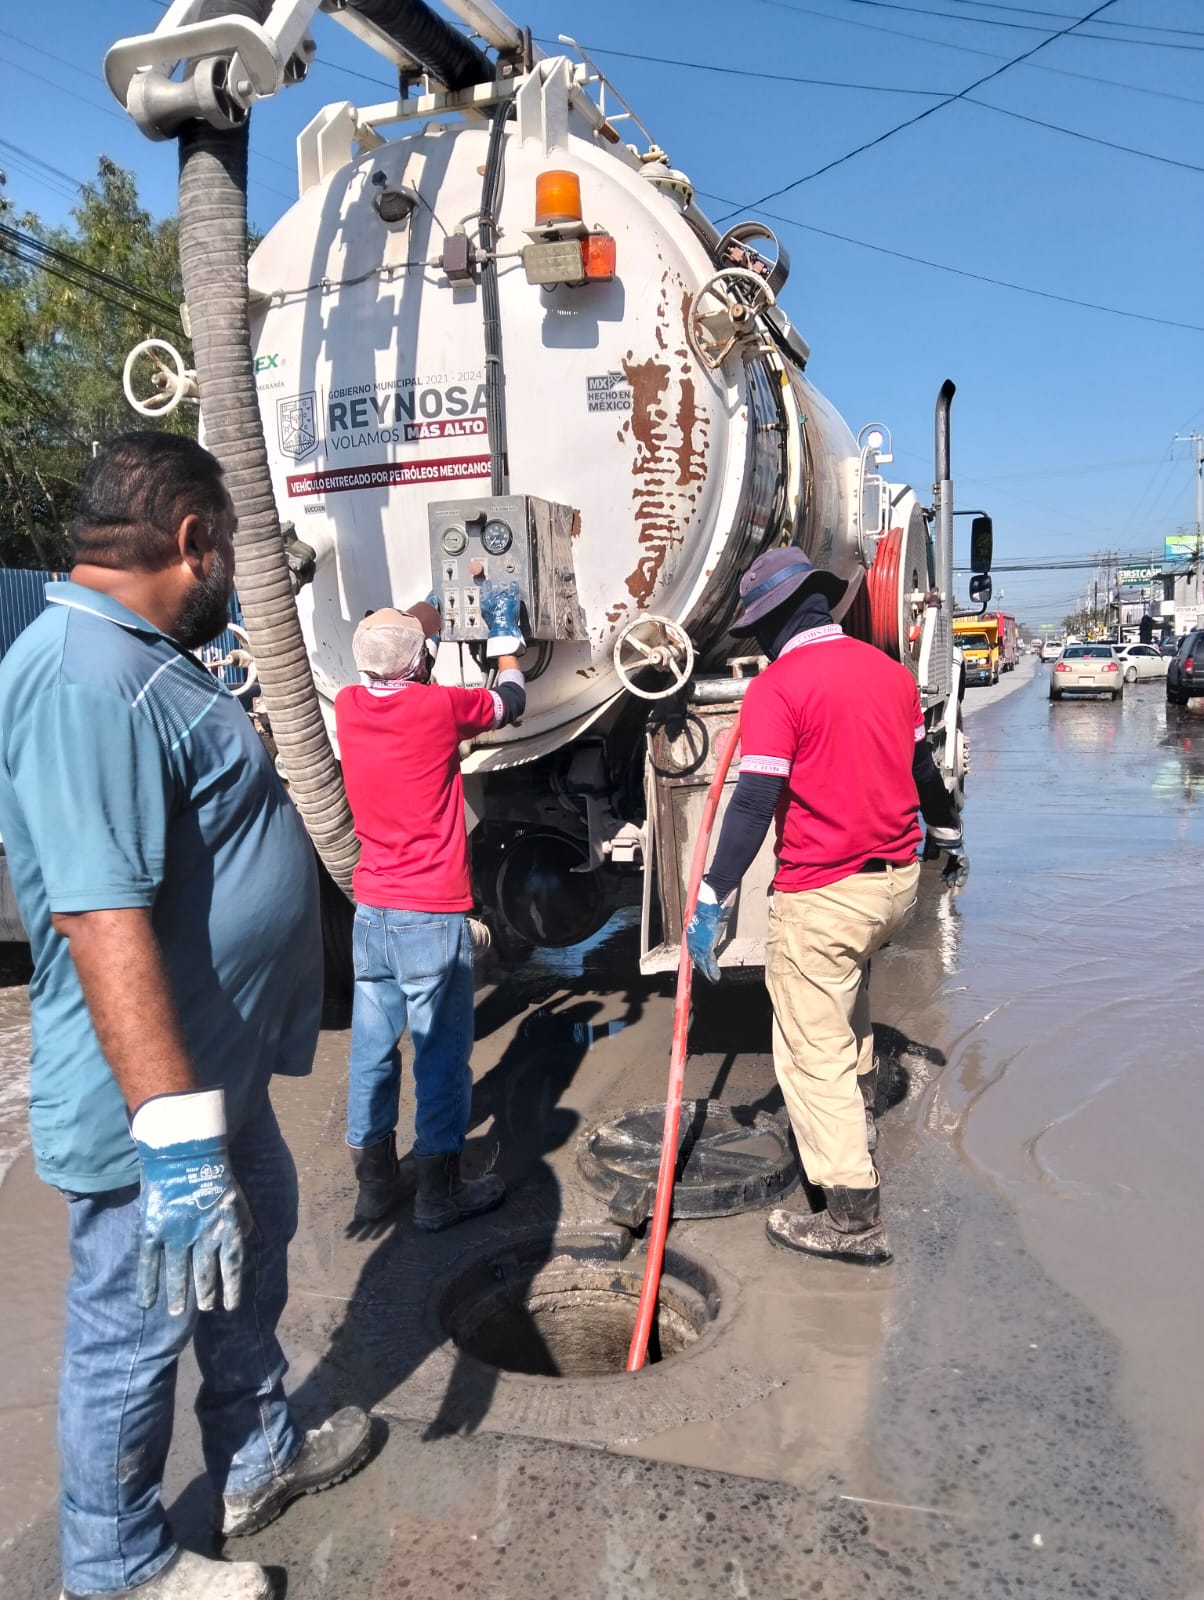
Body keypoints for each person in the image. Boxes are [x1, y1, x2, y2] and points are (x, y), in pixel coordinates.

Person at [0, 434, 371, 1600]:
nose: (235, 576)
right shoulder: (83, 677)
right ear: (195, 539)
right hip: (148, 1102)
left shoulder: (135, 656)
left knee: (252, 1246)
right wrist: (171, 1144)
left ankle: (257, 1451)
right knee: (136, 1322)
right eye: (233, 550)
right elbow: (99, 918)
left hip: (213, 1070)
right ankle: (113, 1564)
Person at [686, 548, 967, 1266]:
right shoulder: (890, 673)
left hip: (825, 895)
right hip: (893, 887)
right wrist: (947, 828)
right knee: (848, 1002)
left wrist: (712, 895)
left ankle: (851, 1220)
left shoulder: (778, 688)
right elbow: (923, 770)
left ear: (772, 621)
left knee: (811, 1053)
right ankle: (859, 1116)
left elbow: (753, 801)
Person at [334, 586, 526, 1230]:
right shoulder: (440, 708)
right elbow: (512, 700)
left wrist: (437, 599)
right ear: (420, 663)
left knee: (372, 1052)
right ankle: (438, 1196)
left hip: (372, 916)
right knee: (440, 1057)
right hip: (430, 916)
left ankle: (375, 1186)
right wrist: (504, 638)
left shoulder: (349, 705)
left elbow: (401, 654)